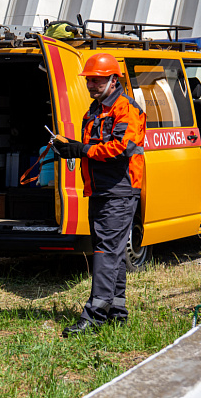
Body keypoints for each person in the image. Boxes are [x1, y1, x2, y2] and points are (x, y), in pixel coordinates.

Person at [53, 53, 146, 337]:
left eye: (97, 79)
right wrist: (71, 147)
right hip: (101, 189)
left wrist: (80, 150)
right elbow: (96, 146)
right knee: (112, 251)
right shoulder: (94, 110)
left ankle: (94, 315)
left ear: (113, 79)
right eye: (89, 79)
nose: (91, 84)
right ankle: (116, 312)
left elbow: (121, 149)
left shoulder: (125, 109)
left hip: (119, 189)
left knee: (105, 252)